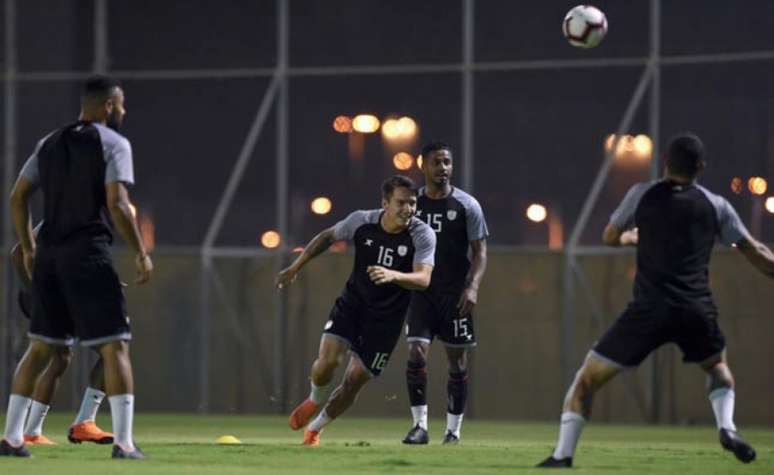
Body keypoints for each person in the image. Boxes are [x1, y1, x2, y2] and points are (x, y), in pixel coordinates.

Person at [537, 133, 774, 468]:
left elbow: (609, 236)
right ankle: (727, 427)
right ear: (701, 167)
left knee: (585, 382)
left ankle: (562, 455)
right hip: (695, 309)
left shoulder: (642, 195)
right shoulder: (715, 204)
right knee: (719, 370)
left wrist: (632, 237)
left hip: (649, 310)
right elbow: (756, 251)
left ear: (664, 161)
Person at [1, 75, 153, 459]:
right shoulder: (114, 143)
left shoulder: (48, 143)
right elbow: (117, 204)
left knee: (39, 350)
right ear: (108, 106)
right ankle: (124, 443)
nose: (123, 111)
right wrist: (139, 251)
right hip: (87, 252)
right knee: (115, 346)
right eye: (120, 105)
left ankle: (12, 438)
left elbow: (18, 197)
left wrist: (32, 247)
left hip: (49, 255)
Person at [276, 175, 436, 446]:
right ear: (385, 203)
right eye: (401, 203)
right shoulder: (362, 221)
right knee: (326, 365)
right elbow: (327, 237)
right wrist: (295, 267)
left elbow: (423, 279)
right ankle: (315, 398)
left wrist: (392, 275)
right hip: (353, 304)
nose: (408, 209)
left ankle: (314, 430)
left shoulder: (422, 234)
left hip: (386, 320)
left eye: (412, 203)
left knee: (354, 381)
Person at [401, 142, 488, 445]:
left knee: (457, 362)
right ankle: (419, 426)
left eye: (447, 162)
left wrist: (473, 286)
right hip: (420, 293)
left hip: (454, 296)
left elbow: (480, 251)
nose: (443, 168)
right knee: (415, 352)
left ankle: (453, 432)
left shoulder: (467, 205)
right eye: (437, 162)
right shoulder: (412, 205)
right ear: (422, 165)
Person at [10, 238, 113, 446]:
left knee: (61, 357)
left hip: (67, 296)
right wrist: (35, 290)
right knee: (112, 348)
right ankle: (82, 423)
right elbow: (18, 252)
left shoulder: (91, 219)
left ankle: (32, 432)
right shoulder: (71, 213)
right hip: (50, 297)